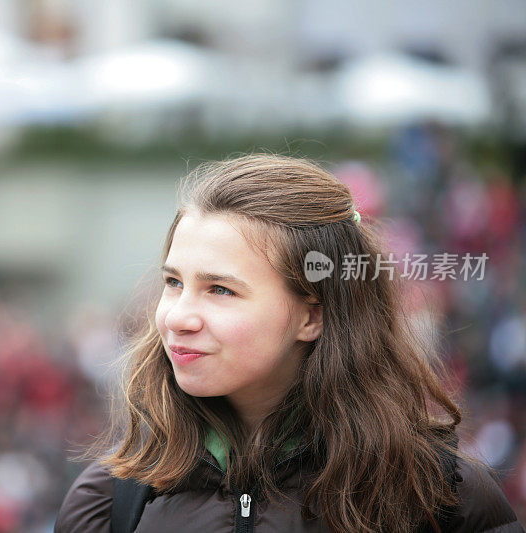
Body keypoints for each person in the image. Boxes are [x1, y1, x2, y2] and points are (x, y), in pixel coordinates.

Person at [55, 155, 523, 532]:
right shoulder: (113, 501)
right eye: (174, 282)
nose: (177, 316)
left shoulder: (441, 498)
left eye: (221, 290)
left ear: (312, 314)